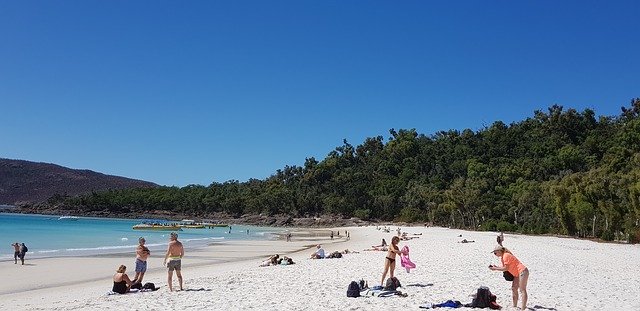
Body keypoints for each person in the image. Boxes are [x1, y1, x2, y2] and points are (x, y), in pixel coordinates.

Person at [489, 245, 529, 310]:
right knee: (514, 288)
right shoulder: (503, 257)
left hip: (522, 271)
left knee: (522, 289)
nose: (495, 254)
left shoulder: (506, 255)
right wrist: (496, 267)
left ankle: (523, 308)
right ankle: (515, 306)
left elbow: (506, 268)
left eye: (495, 253)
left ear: (499, 251)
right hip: (517, 274)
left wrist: (495, 268)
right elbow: (505, 268)